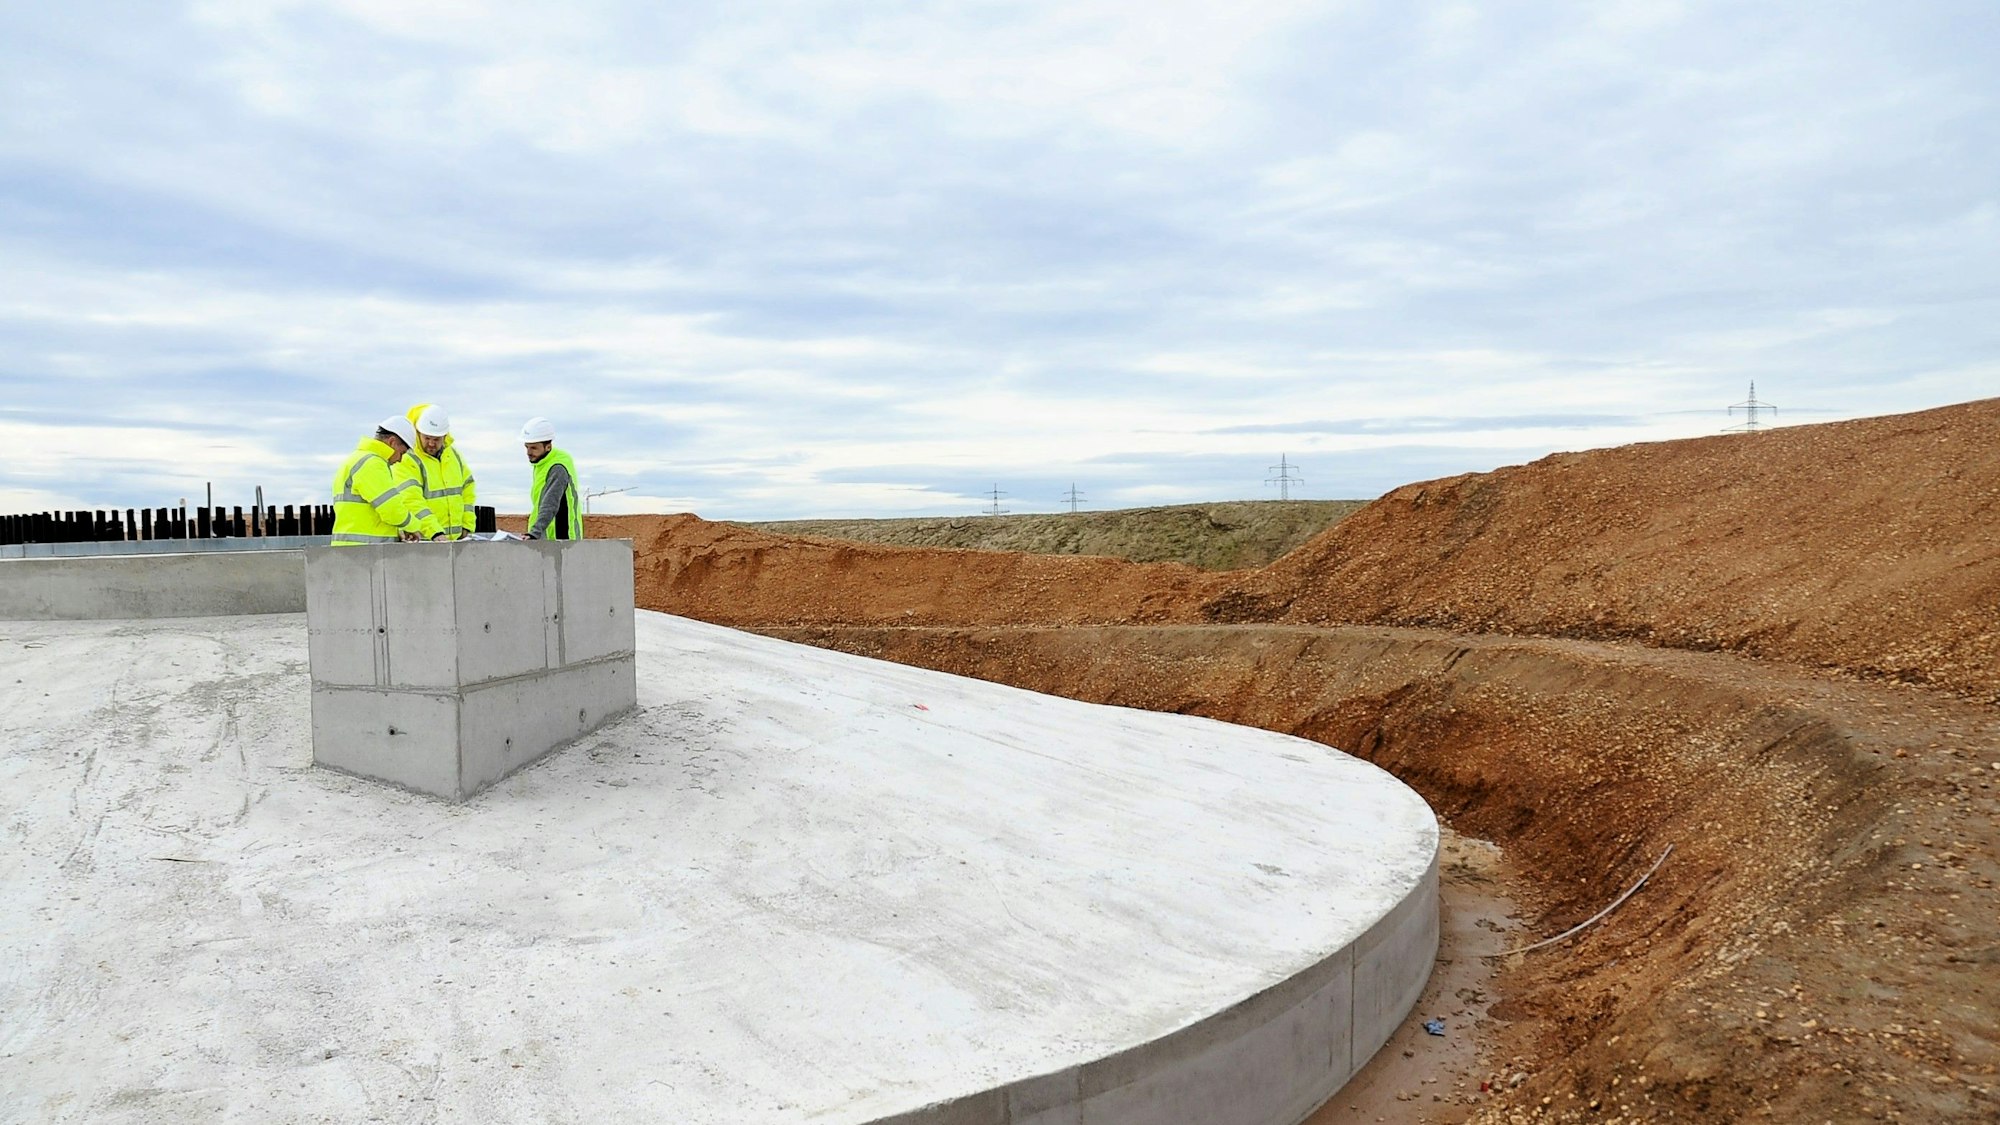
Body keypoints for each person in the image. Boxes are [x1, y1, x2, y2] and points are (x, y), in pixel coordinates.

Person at [331, 416, 446, 546]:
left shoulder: (357, 459)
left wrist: (399, 529)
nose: (400, 460)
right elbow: (391, 509)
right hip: (364, 552)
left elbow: (372, 513)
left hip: (352, 550)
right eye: (402, 453)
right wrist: (414, 526)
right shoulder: (372, 463)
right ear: (392, 442)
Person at [395, 403, 478, 539]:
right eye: (427, 438)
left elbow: (468, 490)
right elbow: (411, 500)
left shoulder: (454, 456)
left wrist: (467, 525)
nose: (431, 443)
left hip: (454, 543)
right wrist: (434, 532)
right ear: (418, 433)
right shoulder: (407, 459)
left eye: (436, 439)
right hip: (423, 543)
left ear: (445, 436)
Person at [521, 416, 581, 540]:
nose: (528, 452)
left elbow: (550, 503)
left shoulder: (557, 467)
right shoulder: (542, 463)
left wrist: (534, 533)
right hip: (547, 539)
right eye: (526, 447)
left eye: (533, 448)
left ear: (548, 446)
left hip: (562, 540)